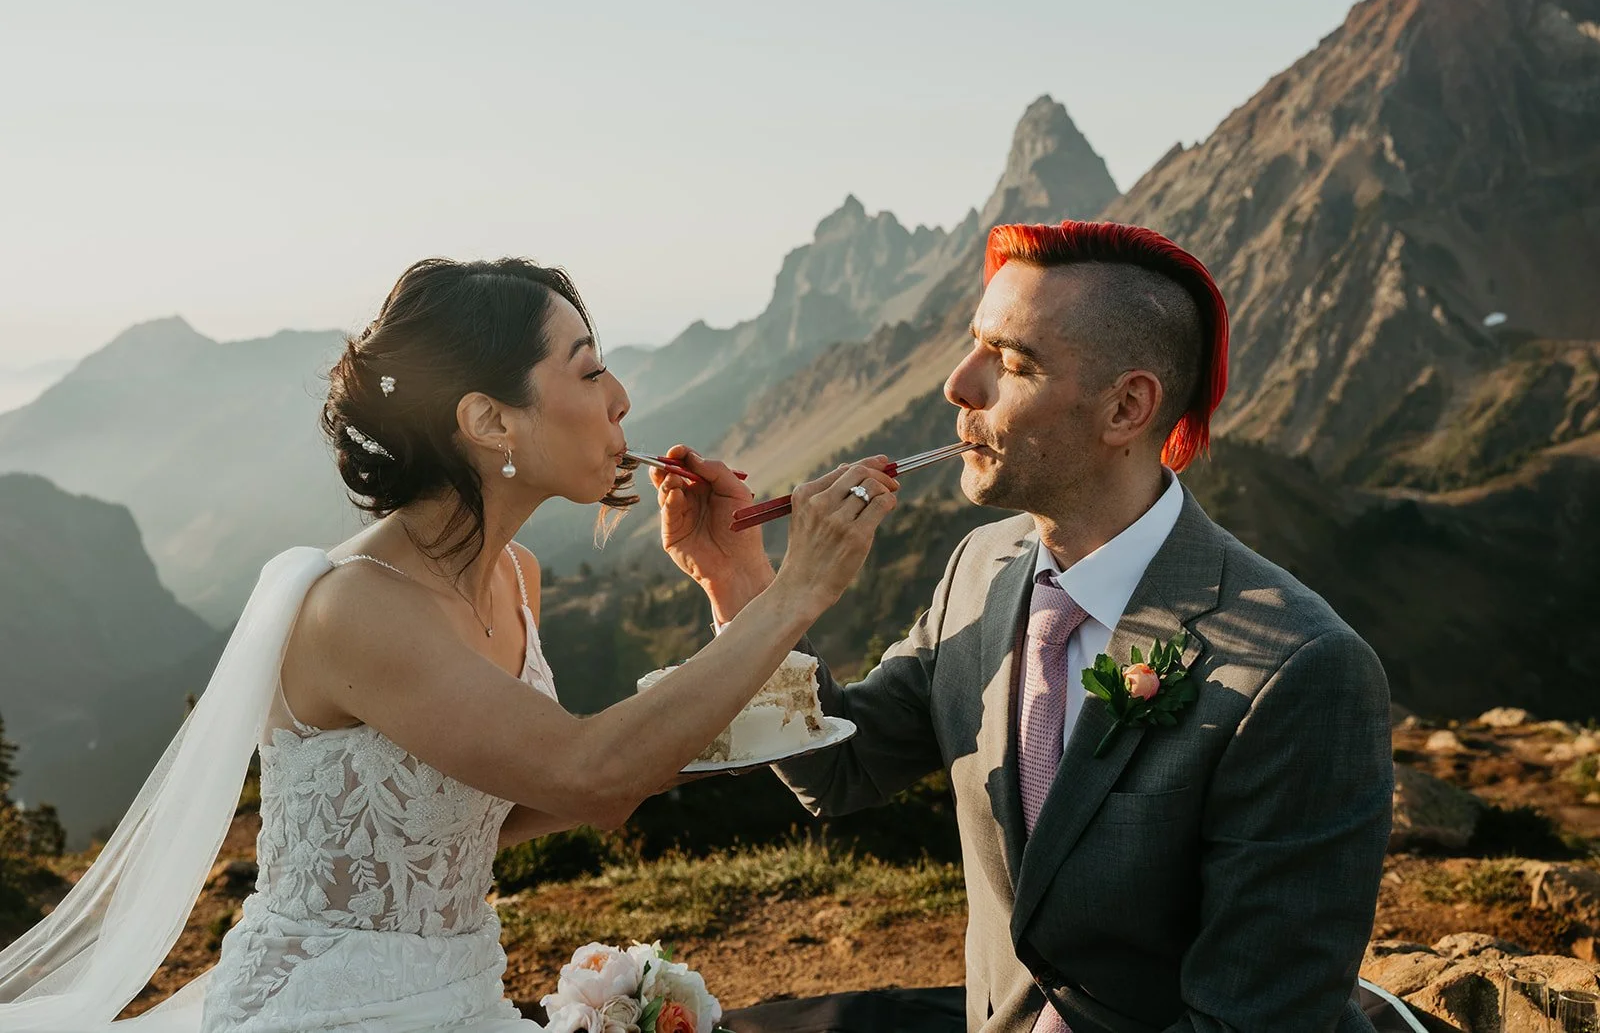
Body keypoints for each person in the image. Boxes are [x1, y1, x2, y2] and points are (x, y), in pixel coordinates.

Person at [0, 257, 901, 1032]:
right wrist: (800, 590)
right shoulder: (356, 607)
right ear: (489, 421)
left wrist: (730, 591)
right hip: (326, 1013)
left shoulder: (515, 578)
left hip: (464, 996)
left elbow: (554, 801)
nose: (622, 396)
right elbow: (589, 768)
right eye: (588, 373)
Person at [659, 221, 1394, 1032]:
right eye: (974, 346)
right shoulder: (981, 566)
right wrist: (743, 582)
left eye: (1009, 362)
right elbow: (842, 769)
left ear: (1127, 406)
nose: (957, 385)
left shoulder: (1305, 669)